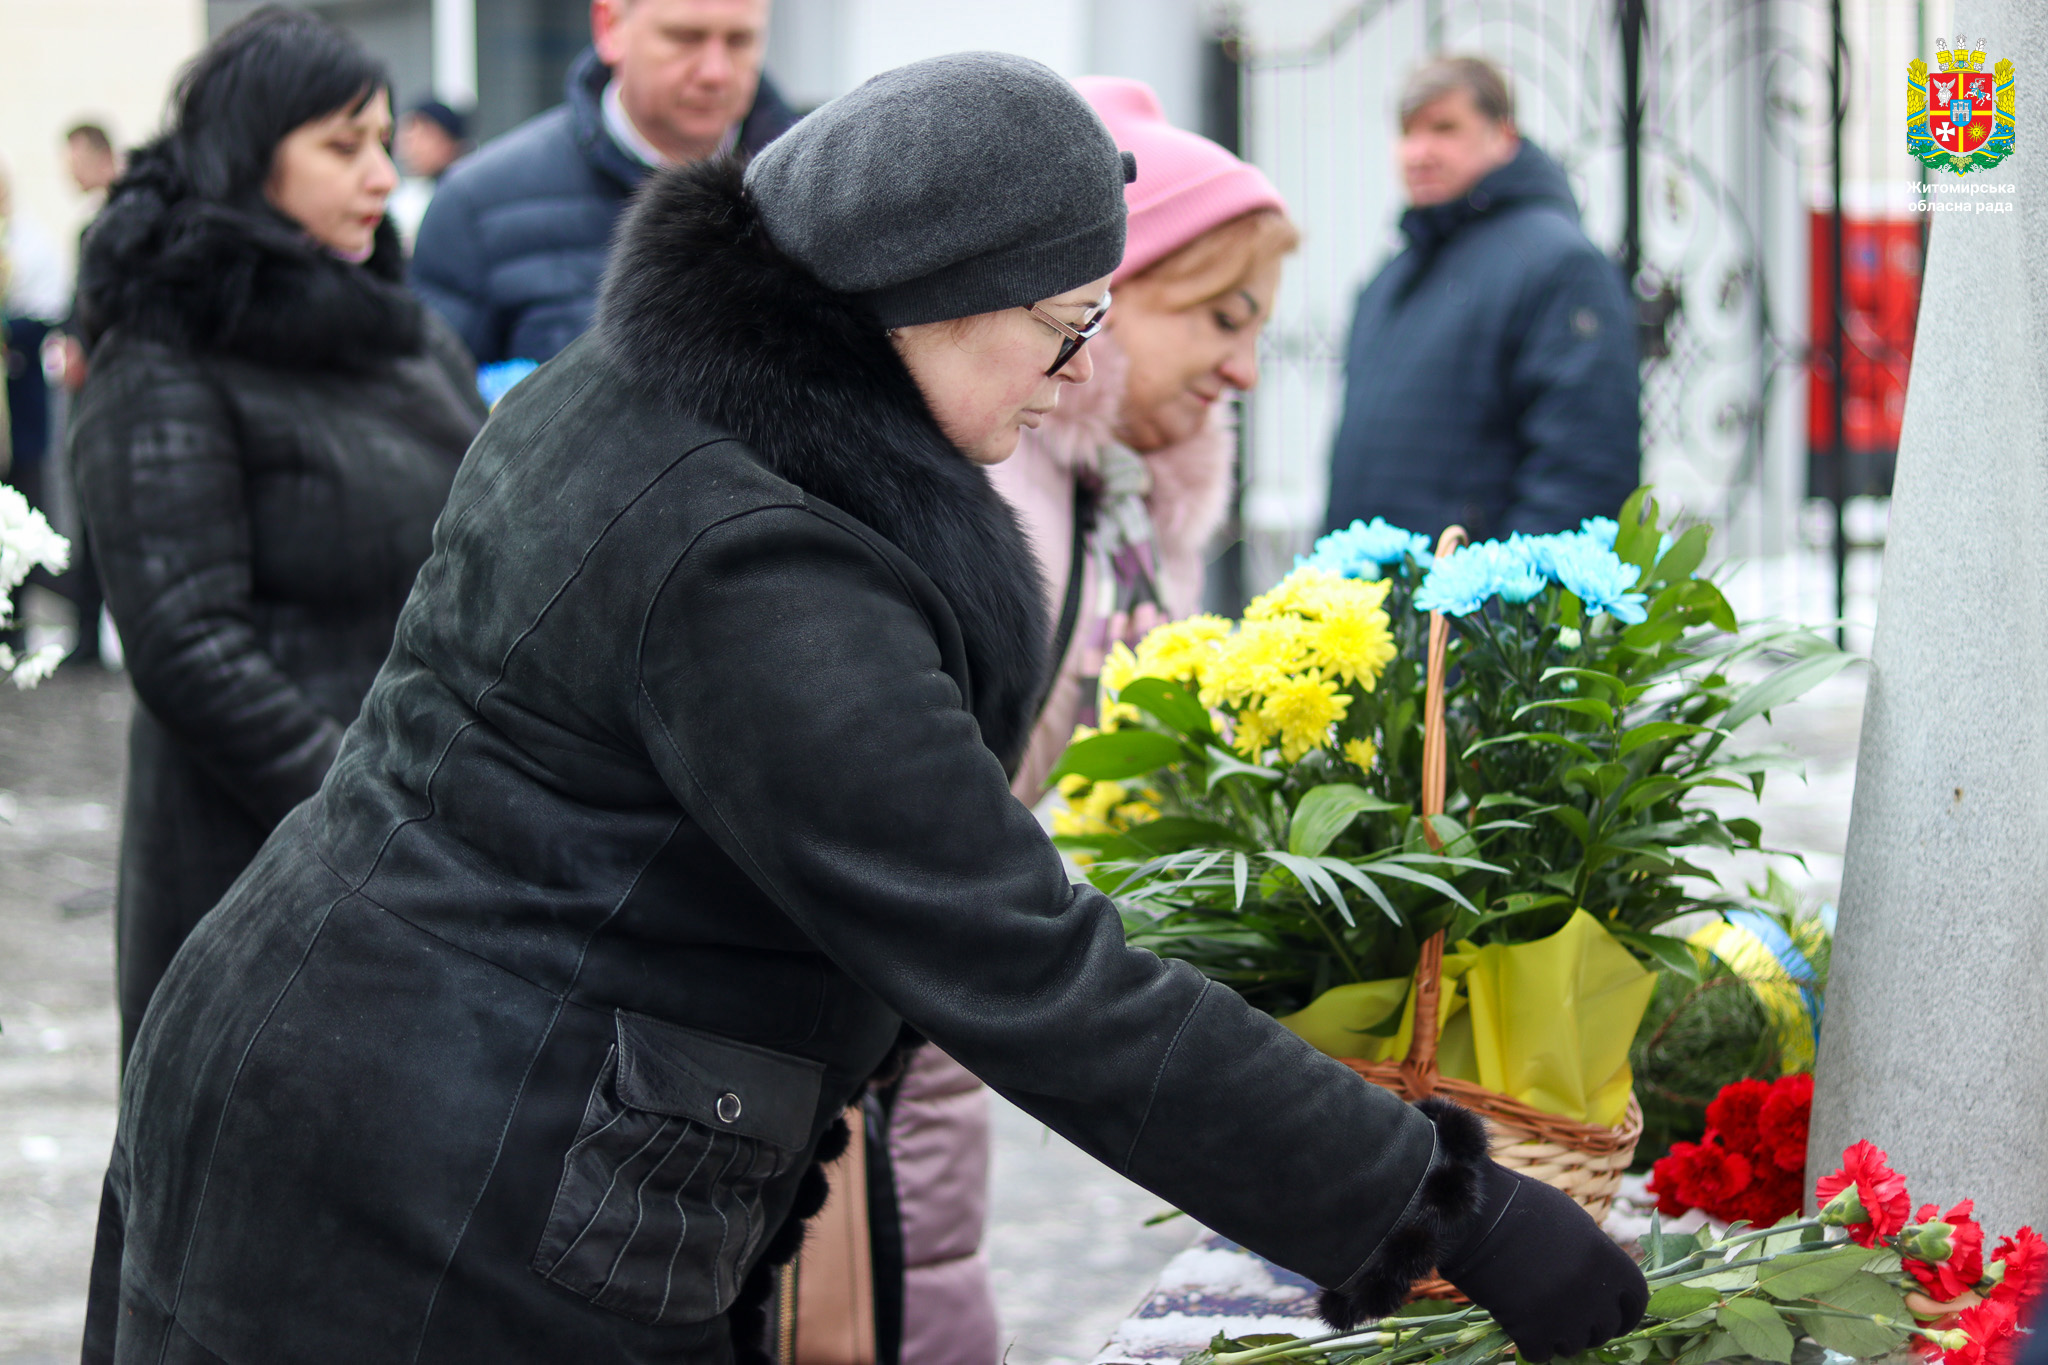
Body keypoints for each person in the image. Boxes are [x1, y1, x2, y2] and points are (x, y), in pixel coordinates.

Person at [84, 53, 1645, 1365]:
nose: (1072, 377)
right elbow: (1011, 955)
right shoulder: (758, 561)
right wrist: (1449, 1205)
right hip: (439, 1173)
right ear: (933, 297)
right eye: (1064, 327)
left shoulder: (658, 392)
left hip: (340, 1068)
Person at [874, 77, 1301, 1365]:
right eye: (1217, 317)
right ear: (1101, 308)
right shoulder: (999, 497)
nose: (1242, 366)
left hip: (928, 1029)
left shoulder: (1116, 497)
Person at [67, 7, 485, 1062]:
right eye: (343, 146)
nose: (382, 177)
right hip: (259, 870)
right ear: (250, 157)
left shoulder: (400, 334)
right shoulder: (164, 352)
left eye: (385, 143)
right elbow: (189, 647)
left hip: (446, 857)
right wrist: (380, 818)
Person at [1323, 55, 1638, 543]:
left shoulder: (1558, 264)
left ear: (1503, 136)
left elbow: (1584, 473)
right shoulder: (1392, 277)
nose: (1419, 152)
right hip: (1369, 609)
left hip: (1471, 611)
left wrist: (1498, 613)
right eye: (1408, 133)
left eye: (1445, 129)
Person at [411, 0, 795, 366]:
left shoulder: (814, 195)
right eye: (685, 37)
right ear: (610, 26)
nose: (716, 72)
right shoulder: (476, 206)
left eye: (740, 40)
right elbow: (441, 418)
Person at [386, 98, 470, 248]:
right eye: (408, 137)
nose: (411, 146)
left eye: (423, 136)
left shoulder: (465, 195)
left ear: (450, 142)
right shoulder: (403, 196)